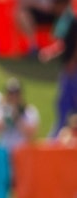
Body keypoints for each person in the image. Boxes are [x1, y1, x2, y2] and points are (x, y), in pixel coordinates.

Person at [38, 0, 77, 137]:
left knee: (67, 105)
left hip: (72, 71)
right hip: (68, 69)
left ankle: (57, 137)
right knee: (64, 106)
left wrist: (72, 61)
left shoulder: (71, 19)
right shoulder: (66, 19)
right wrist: (50, 52)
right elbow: (63, 43)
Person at [0, 77, 39, 152]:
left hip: (22, 152)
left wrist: (18, 116)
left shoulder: (29, 111)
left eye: (16, 93)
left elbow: (31, 135)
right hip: (3, 152)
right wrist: (8, 113)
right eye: (11, 93)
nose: (13, 96)